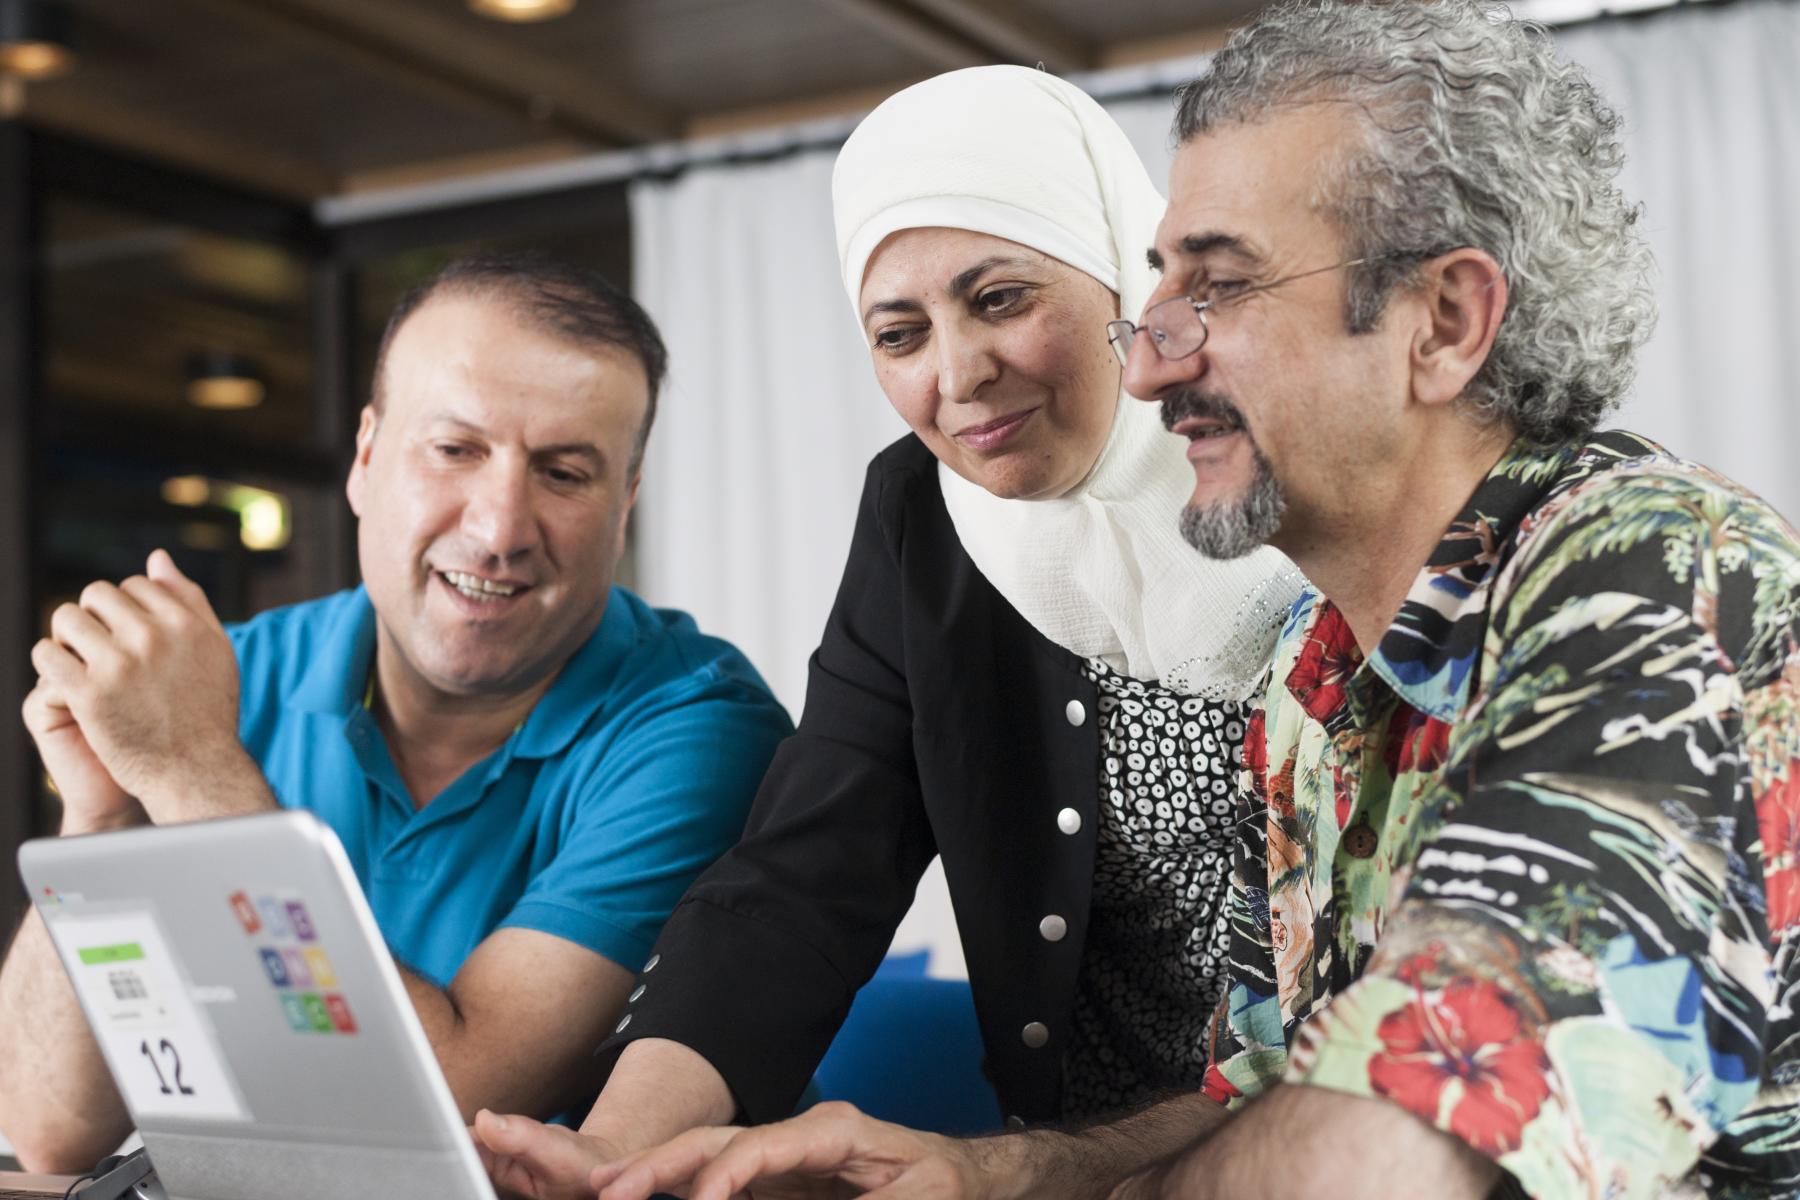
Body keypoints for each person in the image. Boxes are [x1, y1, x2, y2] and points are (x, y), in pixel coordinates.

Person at [554, 2, 1800, 1198]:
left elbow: (1399, 1137)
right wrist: (989, 1174)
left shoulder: (1656, 574)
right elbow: (1261, 1092)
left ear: (1445, 320)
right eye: (1161, 283)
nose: (1149, 350)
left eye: (1219, 285)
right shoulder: (1321, 679)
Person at [472, 66, 1304, 1197]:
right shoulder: (925, 516)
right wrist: (620, 1152)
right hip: (1066, 1168)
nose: (957, 375)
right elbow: (807, 871)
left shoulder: (1306, 474)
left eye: (1002, 297)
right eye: (899, 332)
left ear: (1120, 264)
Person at [0, 253, 793, 1174]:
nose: (499, 528)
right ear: (367, 460)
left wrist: (189, 775)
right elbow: (45, 1129)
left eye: (565, 473)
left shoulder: (698, 726)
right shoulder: (232, 677)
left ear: (625, 505)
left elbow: (441, 1110)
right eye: (455, 449)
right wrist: (106, 815)